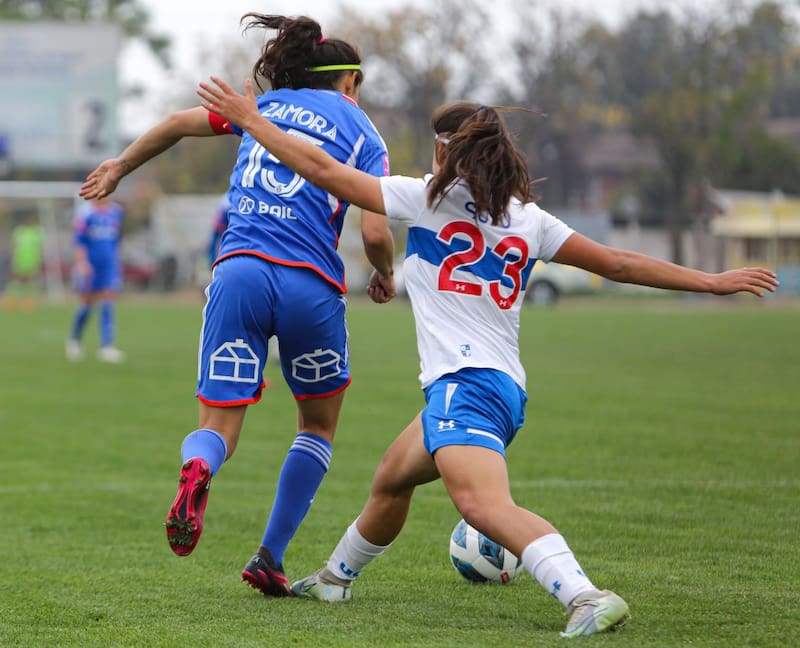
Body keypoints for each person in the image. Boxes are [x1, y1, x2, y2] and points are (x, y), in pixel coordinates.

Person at [197, 78, 780, 636]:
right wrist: (711, 281)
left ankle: (585, 596)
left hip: (464, 386)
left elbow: (324, 171)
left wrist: (252, 122)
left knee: (481, 504)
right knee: (391, 480)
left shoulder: (424, 199)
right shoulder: (529, 219)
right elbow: (619, 263)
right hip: (501, 388)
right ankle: (334, 579)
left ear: (445, 151)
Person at [79, 14, 396, 598]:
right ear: (348, 80)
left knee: (218, 426)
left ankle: (199, 468)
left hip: (239, 274)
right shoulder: (364, 133)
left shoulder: (262, 109)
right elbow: (375, 234)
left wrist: (121, 166)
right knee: (318, 426)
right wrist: (384, 274)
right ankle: (269, 557)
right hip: (312, 287)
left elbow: (176, 123)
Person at [66, 196, 126, 363]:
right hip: (90, 264)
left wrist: (116, 262)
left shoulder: (116, 212)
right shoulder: (85, 212)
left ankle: (107, 346)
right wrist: (82, 263)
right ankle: (75, 340)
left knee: (108, 303)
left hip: (109, 264)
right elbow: (80, 241)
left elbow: (116, 241)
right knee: (86, 305)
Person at [1, 210, 44, 312]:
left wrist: (39, 259)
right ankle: (10, 301)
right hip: (19, 260)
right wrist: (13, 257)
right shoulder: (19, 231)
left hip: (33, 261)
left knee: (31, 281)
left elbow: (39, 247)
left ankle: (28, 302)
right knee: (16, 280)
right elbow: (14, 246)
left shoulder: (37, 232)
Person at [206, 194, 231, 269]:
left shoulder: (227, 197)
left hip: (223, 225)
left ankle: (215, 266)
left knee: (216, 247)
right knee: (213, 247)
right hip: (221, 225)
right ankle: (213, 266)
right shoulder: (227, 197)